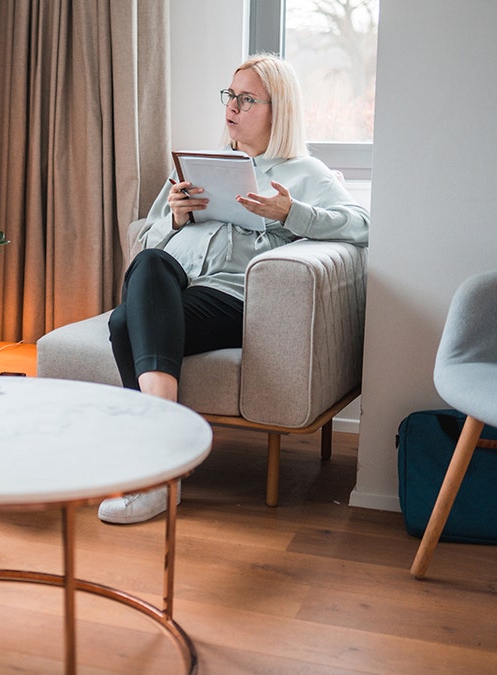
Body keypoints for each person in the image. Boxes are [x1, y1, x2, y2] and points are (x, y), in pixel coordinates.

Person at [101, 54, 370, 525]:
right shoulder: (200, 165)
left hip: (233, 300)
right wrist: (177, 214)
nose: (233, 106)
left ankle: (158, 467)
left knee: (126, 321)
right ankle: (166, 462)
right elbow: (145, 242)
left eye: (247, 99)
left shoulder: (305, 171)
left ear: (276, 109)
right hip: (179, 285)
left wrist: (291, 214)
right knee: (141, 278)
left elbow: (364, 224)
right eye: (231, 95)